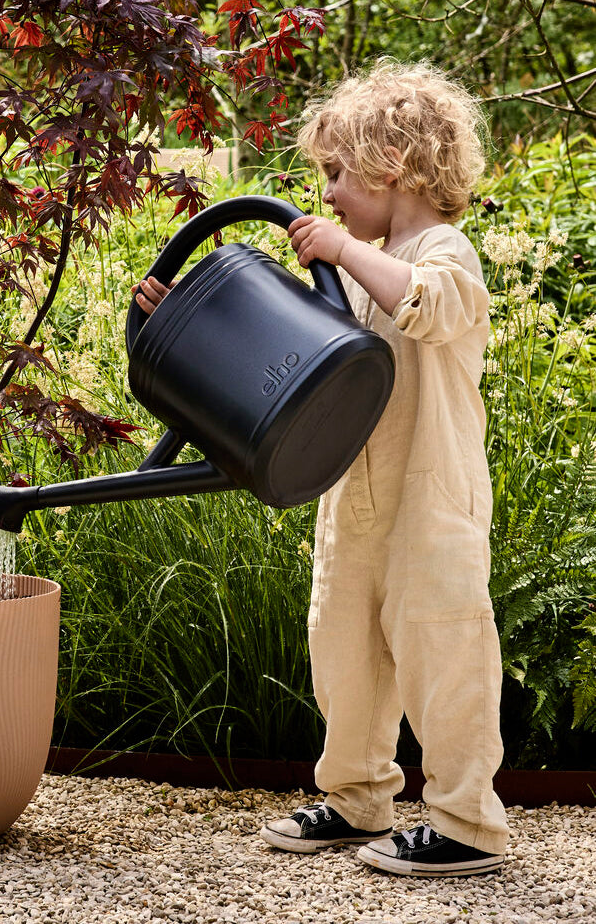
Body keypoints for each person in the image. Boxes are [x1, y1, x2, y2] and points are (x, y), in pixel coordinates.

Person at [133, 60, 510, 878]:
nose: (327, 193)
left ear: (394, 164)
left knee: (441, 652)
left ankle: (466, 823)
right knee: (343, 651)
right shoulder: (351, 266)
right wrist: (188, 322)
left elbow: (430, 304)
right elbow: (277, 356)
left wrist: (341, 248)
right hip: (354, 499)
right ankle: (356, 797)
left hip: (430, 496)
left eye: (336, 173)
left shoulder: (441, 251)